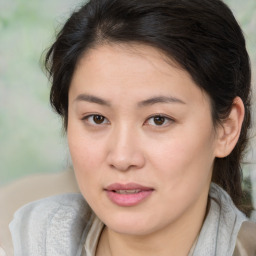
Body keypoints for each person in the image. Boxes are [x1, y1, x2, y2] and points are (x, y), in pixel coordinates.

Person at [9, 0, 256, 255]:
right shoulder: (26, 242)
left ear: (227, 128)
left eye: (159, 119)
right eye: (97, 118)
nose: (122, 157)